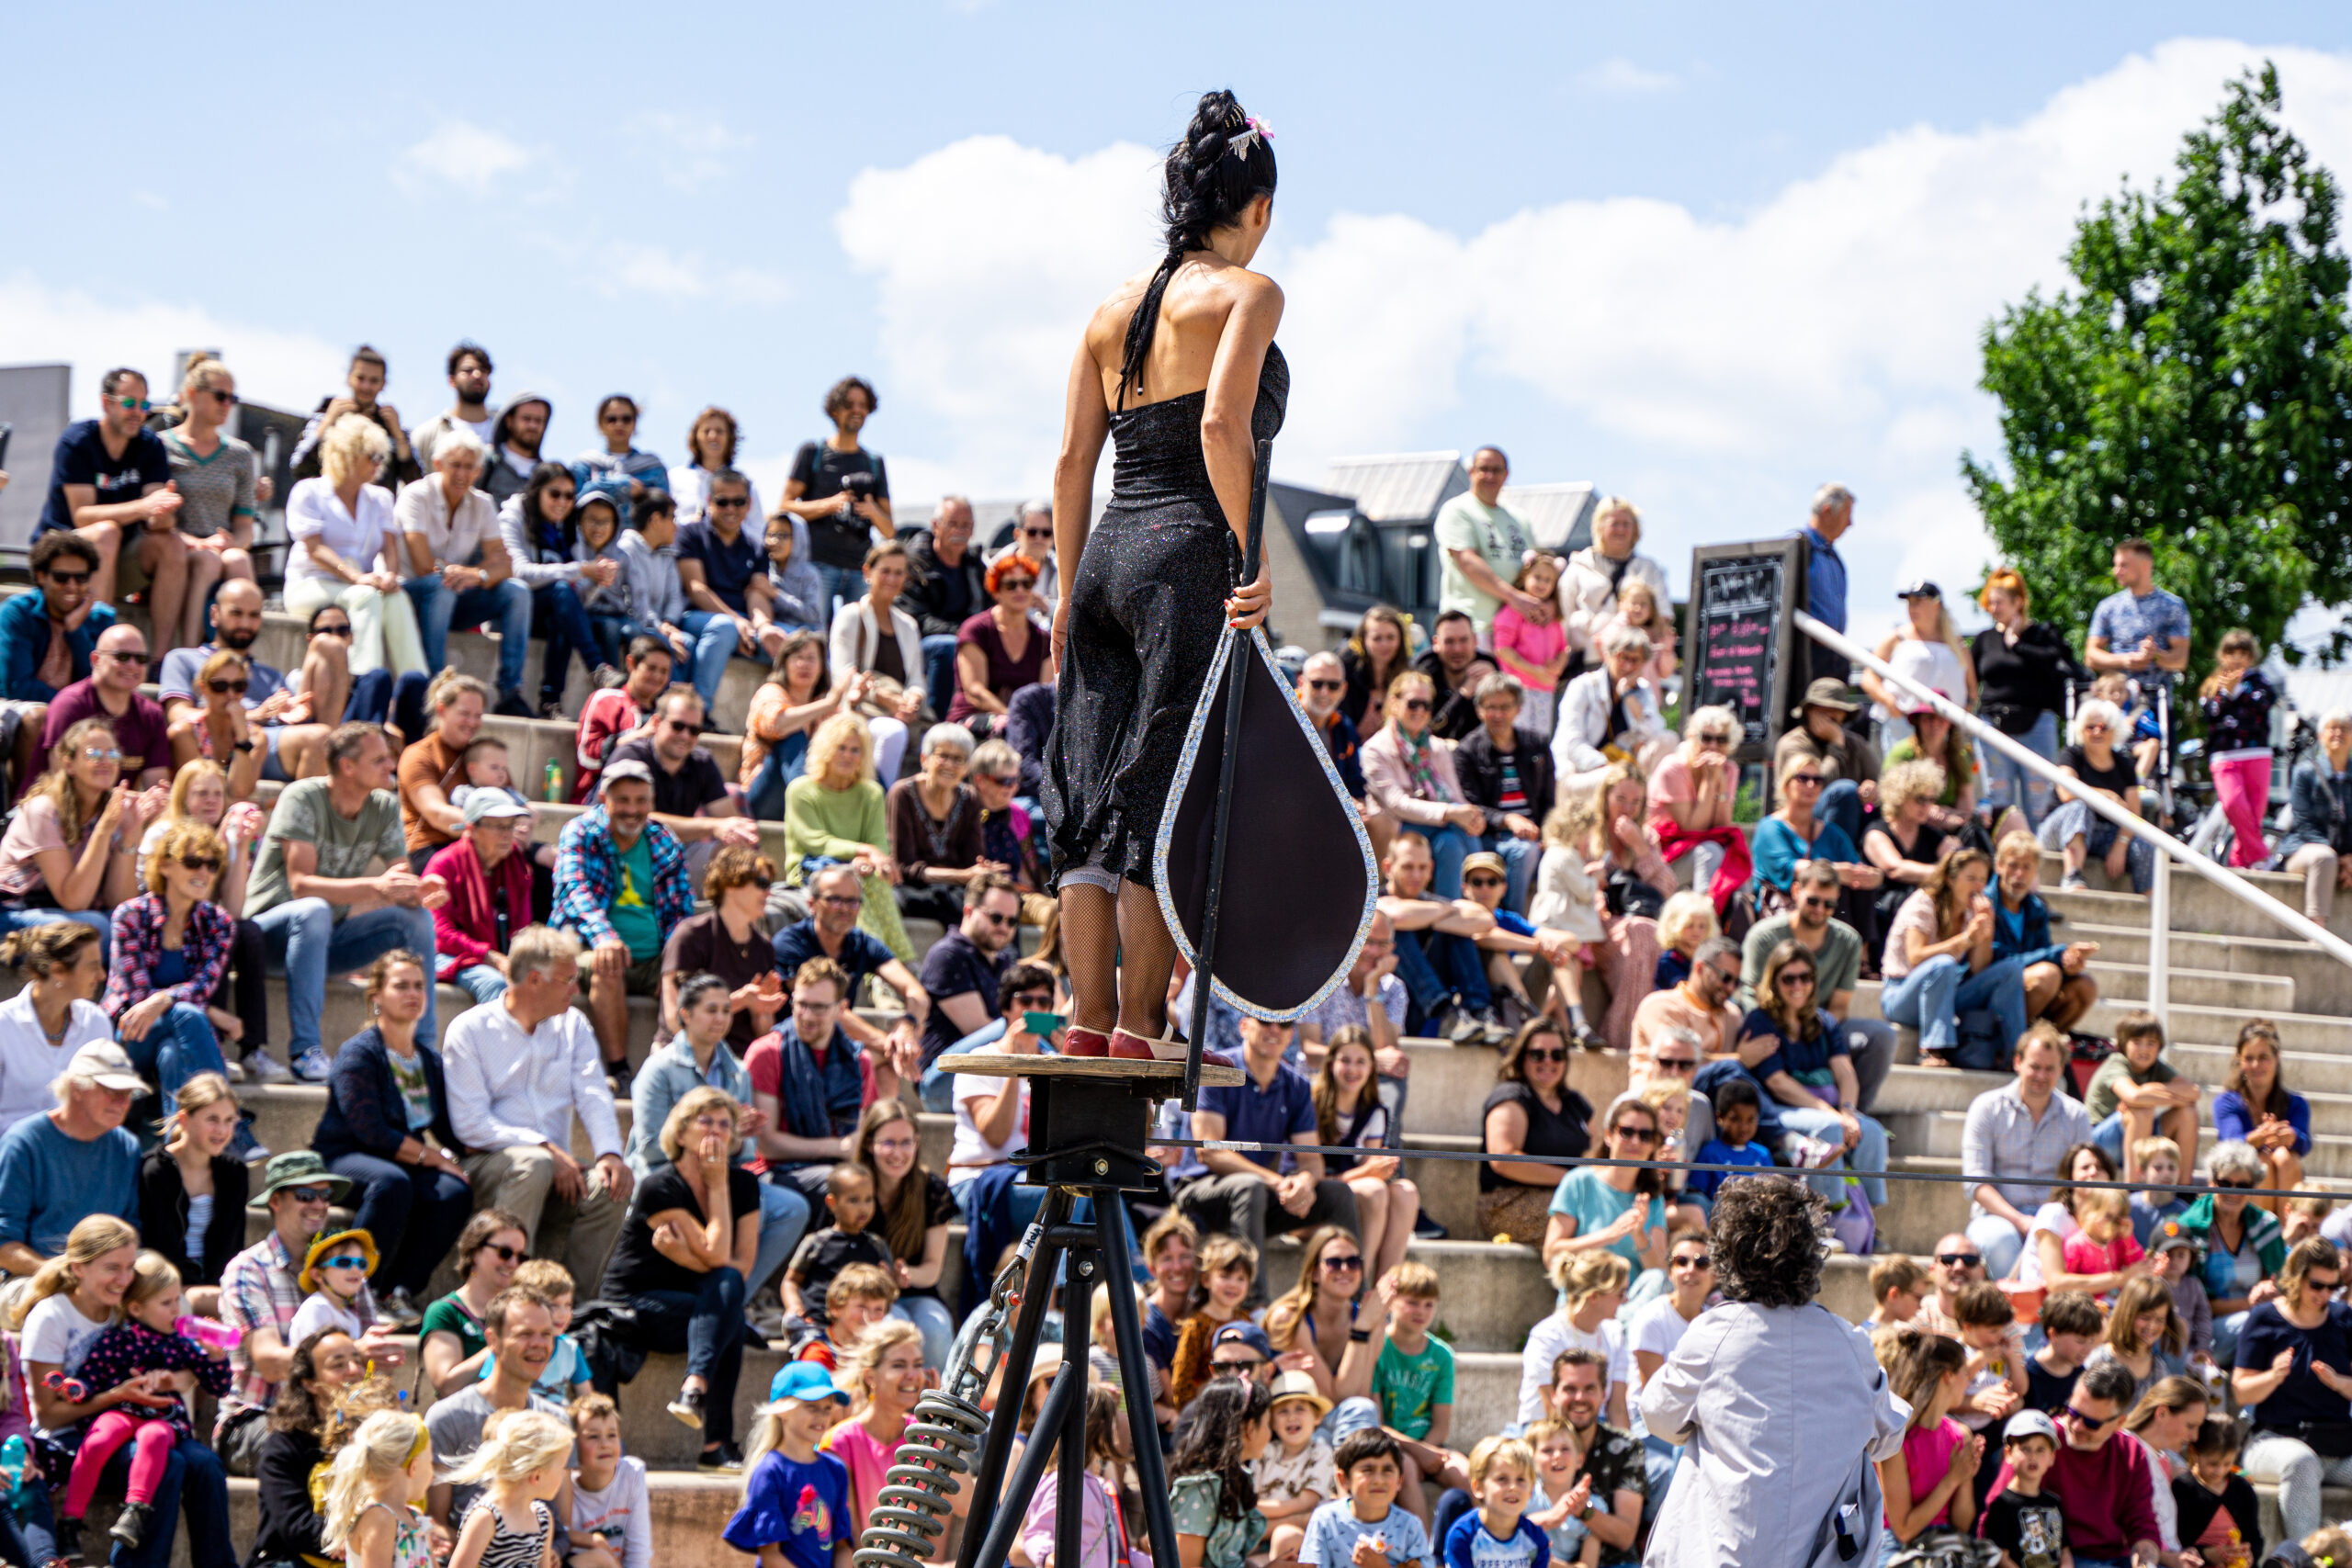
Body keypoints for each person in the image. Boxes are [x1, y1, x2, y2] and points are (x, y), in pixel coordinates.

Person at [1638, 1177, 1906, 1568]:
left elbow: (1659, 1417)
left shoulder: (1713, 1333)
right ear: (1811, 1255)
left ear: (1728, 1255)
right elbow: (1889, 1437)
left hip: (1722, 1554)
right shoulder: (1848, 1341)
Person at [15, 1220, 236, 1568]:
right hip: (73, 1435)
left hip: (147, 1419)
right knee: (167, 1461)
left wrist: (181, 1378)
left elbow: (180, 1358)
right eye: (112, 1268)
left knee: (206, 1463)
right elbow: (47, 1416)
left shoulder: (129, 1303)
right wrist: (114, 1396)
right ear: (78, 1268)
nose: (124, 1278)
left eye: (130, 1267)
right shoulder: (51, 1316)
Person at [244, 723, 446, 1083]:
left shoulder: (384, 805)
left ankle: (422, 1049)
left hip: (325, 943)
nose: (391, 765)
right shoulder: (302, 796)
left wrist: (421, 890)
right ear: (348, 767)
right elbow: (302, 886)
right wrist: (377, 887)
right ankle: (305, 1050)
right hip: (266, 941)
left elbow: (397, 882)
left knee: (416, 921)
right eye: (380, 759)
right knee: (314, 909)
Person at [442, 925, 633, 1282]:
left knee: (611, 1187)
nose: (576, 990)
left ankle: (573, 1310)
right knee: (534, 1163)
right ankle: (502, 1295)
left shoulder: (573, 1025)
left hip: (556, 1166)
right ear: (534, 980)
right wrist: (543, 1147)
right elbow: (471, 1125)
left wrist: (610, 1154)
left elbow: (593, 1093)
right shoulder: (470, 1029)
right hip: (489, 1164)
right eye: (568, 980)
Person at [631, 971, 808, 1315]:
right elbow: (651, 1145)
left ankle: (731, 1301)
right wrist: (710, 1139)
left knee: (791, 1207)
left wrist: (738, 1136)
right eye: (711, 1010)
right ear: (686, 1014)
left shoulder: (737, 1073)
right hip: (666, 1175)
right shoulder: (659, 1068)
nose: (721, 1019)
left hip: (718, 1180)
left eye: (727, 1011)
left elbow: (742, 1158)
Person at [600, 1087, 756, 1472]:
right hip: (635, 1304)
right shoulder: (659, 1186)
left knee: (729, 1297)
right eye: (705, 1121)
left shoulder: (744, 1185)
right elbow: (721, 1257)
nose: (716, 1131)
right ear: (681, 1132)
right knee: (729, 1314)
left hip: (694, 1306)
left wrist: (684, 1254)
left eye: (725, 1124)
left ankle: (694, 1392)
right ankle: (716, 1443)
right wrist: (716, 1188)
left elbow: (741, 1265)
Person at [311, 950, 472, 1322]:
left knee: (453, 1193)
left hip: (401, 1159)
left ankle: (398, 1290)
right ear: (376, 996)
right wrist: (434, 1157)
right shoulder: (359, 1054)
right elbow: (370, 1130)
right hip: (344, 1155)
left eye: (419, 985)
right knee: (391, 1183)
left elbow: (447, 1128)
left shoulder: (428, 1060)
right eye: (401, 986)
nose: (412, 993)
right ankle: (358, 1292)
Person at [215, 1152, 401, 1473]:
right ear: (275, 1201)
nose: (319, 1204)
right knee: (324, 1450)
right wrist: (355, 1351)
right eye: (305, 1195)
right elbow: (271, 1362)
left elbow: (370, 1362)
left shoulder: (350, 1269)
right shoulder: (248, 1270)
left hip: (338, 1413)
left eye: (325, 1195)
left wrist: (378, 1357)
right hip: (259, 1418)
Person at [1181, 1016, 1361, 1304]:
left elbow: (1311, 1161)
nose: (1275, 1029)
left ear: (1292, 1037)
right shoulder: (1217, 1070)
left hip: (1256, 1196)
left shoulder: (1298, 1085)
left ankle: (1351, 1305)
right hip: (1198, 1192)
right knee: (1250, 1187)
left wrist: (1302, 1182)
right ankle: (1254, 1307)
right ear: (1243, 1026)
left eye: (1285, 1023)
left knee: (1337, 1194)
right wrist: (1279, 1182)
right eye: (1265, 1020)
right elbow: (1210, 1151)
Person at [552, 761, 694, 1083]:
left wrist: (674, 960)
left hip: (653, 956)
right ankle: (620, 1069)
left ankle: (679, 1071)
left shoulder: (663, 840)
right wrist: (604, 937)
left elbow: (681, 909)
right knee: (608, 964)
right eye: (623, 800)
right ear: (604, 798)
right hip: (590, 946)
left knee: (691, 976)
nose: (633, 810)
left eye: (640, 800)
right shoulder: (580, 831)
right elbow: (574, 890)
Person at [102, 819, 245, 1135]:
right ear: (165, 866)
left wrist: (165, 998)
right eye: (193, 862)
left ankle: (177, 1146)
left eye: (212, 864)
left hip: (179, 1035)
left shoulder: (218, 923)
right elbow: (137, 997)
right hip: (129, 1036)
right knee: (186, 1012)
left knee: (172, 1053)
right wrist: (198, 1009)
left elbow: (204, 987)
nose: (204, 873)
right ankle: (232, 1123)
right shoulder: (130, 916)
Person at [1731, 939, 1891, 1215]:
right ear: (1774, 981)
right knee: (1827, 1129)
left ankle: (1867, 1215)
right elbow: (1778, 1083)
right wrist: (1831, 1113)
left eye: (1805, 977)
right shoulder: (1761, 1020)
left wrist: (1848, 1111)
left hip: (1826, 1110)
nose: (1797, 986)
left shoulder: (1823, 1021)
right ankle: (1826, 1213)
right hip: (1781, 1110)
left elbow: (1845, 1071)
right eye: (1788, 979)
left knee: (1873, 1131)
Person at [397, 430, 538, 716]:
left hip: (451, 596)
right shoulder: (416, 494)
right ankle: (435, 687)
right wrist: (455, 572)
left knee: (517, 592)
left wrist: (478, 575)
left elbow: (504, 563)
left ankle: (510, 691)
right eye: (456, 465)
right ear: (438, 465)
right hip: (409, 596)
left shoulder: (482, 503)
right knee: (440, 585)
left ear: (478, 471)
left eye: (470, 467)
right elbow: (423, 563)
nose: (463, 474)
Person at [1736, 862, 1896, 1114]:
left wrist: (1812, 1034)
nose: (1820, 909)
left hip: (1820, 1026)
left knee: (1882, 1036)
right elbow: (1754, 995)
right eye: (1813, 901)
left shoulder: (1848, 940)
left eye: (1829, 904)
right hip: (1770, 1023)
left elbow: (1840, 1006)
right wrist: (1790, 1031)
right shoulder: (1764, 935)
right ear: (1797, 891)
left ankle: (1854, 1116)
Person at [34, 368, 184, 636]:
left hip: (115, 561)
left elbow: (155, 513)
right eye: (129, 403)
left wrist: (163, 514)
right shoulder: (77, 441)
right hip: (62, 555)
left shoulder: (150, 445)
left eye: (144, 404)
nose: (138, 412)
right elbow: (82, 515)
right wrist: (143, 507)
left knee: (171, 544)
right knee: (106, 531)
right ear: (106, 402)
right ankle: (99, 651)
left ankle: (162, 662)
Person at [2222, 1236, 2352, 1543]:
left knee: (2308, 1461)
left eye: (2332, 1287)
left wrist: (2340, 1383)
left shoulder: (2343, 1319)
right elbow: (2242, 1392)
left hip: (2334, 1446)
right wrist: (2274, 1376)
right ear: (2296, 1277)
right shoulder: (2264, 1319)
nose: (2324, 1295)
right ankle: (2304, 1558)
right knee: (2302, 1462)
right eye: (2317, 1285)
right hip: (2274, 1440)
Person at [282, 415, 429, 683]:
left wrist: (390, 576)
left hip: (357, 586)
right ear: (347, 454)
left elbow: (389, 548)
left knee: (397, 599)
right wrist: (356, 578)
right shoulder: (308, 491)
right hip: (308, 585)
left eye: (381, 456)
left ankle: (417, 686)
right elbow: (315, 549)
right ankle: (365, 683)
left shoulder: (381, 498)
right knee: (365, 597)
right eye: (372, 455)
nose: (379, 463)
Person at [159, 577, 337, 785]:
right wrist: (256, 715)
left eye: (253, 615)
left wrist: (290, 713)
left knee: (323, 738)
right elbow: (179, 715)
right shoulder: (182, 659)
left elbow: (286, 721)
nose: (245, 623)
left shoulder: (271, 675)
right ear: (214, 615)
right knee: (319, 737)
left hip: (264, 741)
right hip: (215, 739)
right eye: (236, 613)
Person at [0, 716, 153, 957]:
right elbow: (73, 900)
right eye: (94, 754)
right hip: (14, 913)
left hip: (70, 913)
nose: (105, 761)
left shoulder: (111, 810)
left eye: (112, 754)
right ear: (69, 764)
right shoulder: (43, 810)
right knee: (96, 929)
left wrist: (130, 833)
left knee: (138, 922)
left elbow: (120, 901)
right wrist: (104, 830)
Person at [1959, 1025, 2095, 1280]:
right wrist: (2021, 1221)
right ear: (2018, 1063)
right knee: (1999, 1240)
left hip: (2056, 1214)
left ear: (2061, 1070)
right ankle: (2021, 1313)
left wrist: (2045, 1221)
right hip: (1997, 1217)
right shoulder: (1986, 1108)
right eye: (2034, 1066)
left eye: (2050, 1069)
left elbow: (2084, 1182)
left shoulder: (2076, 1115)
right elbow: (1976, 1182)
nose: (2041, 1076)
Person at [1879, 848, 2034, 1071]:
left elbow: (1980, 967)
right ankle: (1931, 1050)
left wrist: (1984, 932)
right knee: (1944, 963)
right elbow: (1916, 957)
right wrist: (1965, 939)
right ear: (1951, 879)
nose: (1978, 886)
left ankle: (2016, 1055)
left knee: (2011, 970)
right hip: (1901, 994)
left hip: (1944, 993)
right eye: (1970, 878)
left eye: (1982, 879)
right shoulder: (1924, 902)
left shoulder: (1972, 911)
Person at [0, 1042, 144, 1274]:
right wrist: (61, 1277)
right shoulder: (24, 1142)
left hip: (108, 1275)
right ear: (76, 1088)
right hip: (33, 1278)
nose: (122, 1102)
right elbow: (4, 1244)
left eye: (128, 1093)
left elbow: (132, 1229)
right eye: (111, 1091)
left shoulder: (127, 1146)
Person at [786, 711, 918, 964]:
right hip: (810, 870)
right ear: (826, 749)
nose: (848, 755)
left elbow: (879, 843)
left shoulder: (871, 792)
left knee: (872, 878)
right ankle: (877, 970)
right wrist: (863, 852)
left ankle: (907, 964)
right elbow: (815, 841)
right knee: (853, 887)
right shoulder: (801, 790)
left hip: (859, 870)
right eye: (841, 748)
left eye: (855, 750)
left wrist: (866, 859)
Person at [770, 863, 930, 1066]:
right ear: (812, 904)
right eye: (835, 900)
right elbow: (825, 1008)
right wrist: (888, 1043)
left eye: (852, 901)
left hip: (835, 1045)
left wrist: (907, 1026)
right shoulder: (789, 944)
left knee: (886, 1062)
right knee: (885, 1057)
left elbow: (916, 993)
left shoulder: (861, 942)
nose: (845, 909)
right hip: (794, 1046)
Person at [152, 356, 260, 650]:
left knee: (237, 558)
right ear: (193, 395)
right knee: (208, 561)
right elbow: (155, 517)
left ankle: (239, 658)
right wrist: (198, 544)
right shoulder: (159, 445)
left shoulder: (240, 454)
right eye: (220, 396)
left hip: (220, 549)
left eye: (232, 398)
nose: (227, 404)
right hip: (173, 546)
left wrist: (231, 544)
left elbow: (245, 526)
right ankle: (189, 655)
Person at [496, 462, 618, 718]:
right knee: (561, 591)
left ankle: (550, 703)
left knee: (562, 607)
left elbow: (576, 599)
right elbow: (519, 572)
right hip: (514, 610)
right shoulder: (512, 516)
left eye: (569, 496)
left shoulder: (565, 527)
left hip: (552, 611)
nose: (562, 502)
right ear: (537, 491)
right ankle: (597, 668)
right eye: (555, 494)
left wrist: (596, 579)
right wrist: (581, 569)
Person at [1363, 671, 1487, 902]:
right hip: (1397, 826)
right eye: (1413, 704)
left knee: (1451, 842)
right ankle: (1479, 909)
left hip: (1439, 826)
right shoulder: (1376, 749)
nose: (1420, 711)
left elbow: (1455, 795)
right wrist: (1451, 813)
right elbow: (1396, 803)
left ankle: (1455, 918)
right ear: (1394, 703)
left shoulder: (1437, 747)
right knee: (1456, 831)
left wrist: (1470, 815)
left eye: (1426, 705)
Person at [248, 1328, 368, 1568]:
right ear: (310, 1383)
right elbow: (296, 1526)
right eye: (338, 1365)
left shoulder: (377, 1433)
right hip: (292, 1559)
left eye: (357, 1360)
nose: (354, 1370)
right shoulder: (284, 1445)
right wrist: (362, 1537)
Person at [853, 1100, 957, 1369]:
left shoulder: (931, 1190)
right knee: (893, 1326)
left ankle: (934, 1408)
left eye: (905, 1142)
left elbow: (933, 1268)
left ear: (917, 1143)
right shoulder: (853, 1190)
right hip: (868, 1295)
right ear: (869, 1144)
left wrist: (906, 1276)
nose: (898, 1153)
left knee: (936, 1327)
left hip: (917, 1291)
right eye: (888, 1143)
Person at [1309, 1028, 1419, 1284]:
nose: (1352, 1070)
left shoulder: (1374, 1112)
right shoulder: (1311, 1101)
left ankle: (1383, 1292)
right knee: (1374, 1189)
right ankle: (1358, 1286)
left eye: (1361, 1062)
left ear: (1372, 1067)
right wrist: (1368, 1172)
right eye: (1345, 1060)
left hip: (1351, 1195)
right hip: (1314, 1195)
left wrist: (1376, 1169)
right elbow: (1312, 1174)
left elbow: (1373, 1166)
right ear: (1331, 1063)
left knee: (1405, 1192)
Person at [1972, 570, 2079, 830]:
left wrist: (2017, 645)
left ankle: (2041, 858)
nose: (1994, 608)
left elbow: (2057, 663)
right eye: (1990, 602)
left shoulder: (2042, 635)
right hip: (1993, 728)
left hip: (2037, 726)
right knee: (1998, 799)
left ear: (2018, 602)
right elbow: (1971, 680)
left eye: (2000, 602)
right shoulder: (1984, 640)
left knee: (2040, 800)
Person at [722, 1362, 856, 1567]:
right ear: (783, 1410)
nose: (821, 1417)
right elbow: (771, 1555)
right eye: (811, 1407)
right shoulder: (770, 1471)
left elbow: (842, 1546)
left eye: (827, 1408)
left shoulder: (836, 1470)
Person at [780, 377, 893, 615]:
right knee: (816, 635)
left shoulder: (874, 462)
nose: (857, 410)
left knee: (859, 642)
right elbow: (785, 507)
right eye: (850, 404)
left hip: (860, 568)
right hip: (817, 564)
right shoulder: (813, 453)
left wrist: (872, 511)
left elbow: (889, 530)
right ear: (834, 409)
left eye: (863, 405)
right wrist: (830, 505)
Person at [137, 1073, 246, 1317]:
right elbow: (162, 1245)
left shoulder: (234, 1172)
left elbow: (231, 1243)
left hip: (215, 1283)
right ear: (184, 1119)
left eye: (229, 1120)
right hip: (165, 1281)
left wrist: (218, 1286)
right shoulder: (156, 1171)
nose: (222, 1130)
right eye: (212, 1120)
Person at [1377, 832, 1504, 1043]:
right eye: (1408, 867)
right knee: (1397, 930)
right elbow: (1395, 916)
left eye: (1422, 867)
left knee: (1458, 931)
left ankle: (1480, 1012)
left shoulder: (1435, 905)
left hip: (1423, 1007)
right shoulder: (1373, 900)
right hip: (1386, 1004)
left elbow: (1486, 920)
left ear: (1431, 869)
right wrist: (1447, 914)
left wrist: (1427, 917)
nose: (1416, 875)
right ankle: (1447, 1013)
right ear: (1388, 868)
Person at [1541, 1098, 1669, 1301]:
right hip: (1583, 1302)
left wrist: (1639, 1236)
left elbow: (1660, 1273)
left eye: (1645, 1135)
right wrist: (1609, 1235)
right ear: (1609, 1136)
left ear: (1654, 1144)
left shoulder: (1653, 1197)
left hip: (1630, 1309)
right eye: (1627, 1132)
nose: (1635, 1141)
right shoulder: (1578, 1182)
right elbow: (1552, 1256)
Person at [1874, 1329, 1982, 1557]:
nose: (1969, 1380)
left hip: (1946, 1545)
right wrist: (1952, 1480)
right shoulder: (1897, 1438)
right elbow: (1903, 1530)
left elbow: (1962, 1524)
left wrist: (1965, 1476)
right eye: (1965, 1372)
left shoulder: (1960, 1434)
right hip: (1899, 1549)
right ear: (1947, 1376)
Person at [0, 921, 114, 1136]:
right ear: (58, 971)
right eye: (93, 966)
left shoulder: (97, 1021)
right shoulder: (3, 1024)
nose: (101, 975)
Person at [2178, 1143, 2289, 1362]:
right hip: (2204, 1329)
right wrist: (2249, 1305)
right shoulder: (2190, 1227)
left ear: (2254, 1187)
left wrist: (2271, 1290)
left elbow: (2282, 1281)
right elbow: (2188, 1298)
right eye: (2225, 1183)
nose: (2233, 1192)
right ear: (2211, 1183)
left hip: (2259, 1318)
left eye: (2243, 1185)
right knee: (2256, 1325)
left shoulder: (2266, 1225)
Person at [677, 467, 787, 683]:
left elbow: (757, 593)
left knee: (797, 642)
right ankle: (699, 709)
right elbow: (696, 589)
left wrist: (763, 627)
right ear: (709, 501)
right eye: (722, 502)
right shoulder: (691, 534)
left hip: (744, 622)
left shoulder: (756, 547)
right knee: (724, 628)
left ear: (749, 504)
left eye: (738, 502)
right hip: (698, 617)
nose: (731, 509)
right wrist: (736, 621)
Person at [424, 792, 537, 1006]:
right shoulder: (443, 864)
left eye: (510, 826)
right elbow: (440, 932)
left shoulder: (517, 864)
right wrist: (489, 956)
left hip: (497, 955)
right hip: (447, 955)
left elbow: (523, 928)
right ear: (471, 829)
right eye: (498, 827)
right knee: (494, 983)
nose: (507, 835)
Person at [1454, 675, 1552, 917]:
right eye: (1491, 707)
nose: (1498, 714)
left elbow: (1550, 799)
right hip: (1492, 836)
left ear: (1518, 709)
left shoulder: (1537, 744)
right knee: (1523, 852)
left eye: (1505, 707)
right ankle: (1512, 922)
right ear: (1479, 710)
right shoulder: (1467, 750)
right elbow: (1471, 804)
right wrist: (1507, 819)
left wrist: (1549, 833)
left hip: (1535, 832)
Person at [0, 532, 115, 734]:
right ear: (42, 576)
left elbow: (99, 684)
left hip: (80, 713)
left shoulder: (102, 618)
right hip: (17, 707)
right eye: (61, 577)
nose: (72, 586)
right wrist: (71, 706)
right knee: (37, 717)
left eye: (81, 578)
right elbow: (17, 687)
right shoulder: (17, 612)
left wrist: (75, 630)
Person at [826, 543, 930, 761]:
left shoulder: (908, 625)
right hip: (862, 709)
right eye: (885, 571)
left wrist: (910, 702)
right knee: (892, 733)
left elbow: (916, 680)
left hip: (902, 711)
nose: (891, 579)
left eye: (898, 573)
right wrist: (882, 697)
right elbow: (842, 674)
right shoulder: (850, 616)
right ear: (867, 572)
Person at [887, 725, 994, 926]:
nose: (950, 765)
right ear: (924, 759)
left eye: (959, 759)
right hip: (913, 890)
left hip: (955, 890)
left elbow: (972, 859)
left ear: (967, 767)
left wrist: (978, 870)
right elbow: (903, 867)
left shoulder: (969, 798)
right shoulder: (902, 794)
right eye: (943, 756)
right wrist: (961, 876)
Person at [42, 620, 170, 789]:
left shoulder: (151, 715)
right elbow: (60, 782)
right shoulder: (70, 705)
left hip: (118, 810)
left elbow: (157, 787)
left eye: (141, 659)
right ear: (96, 660)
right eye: (122, 657)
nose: (132, 665)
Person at [1645, 708, 1748, 915]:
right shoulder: (1673, 768)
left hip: (1696, 850)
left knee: (1736, 861)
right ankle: (1703, 919)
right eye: (1706, 738)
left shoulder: (1729, 769)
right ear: (1691, 737)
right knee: (1710, 852)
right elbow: (1692, 827)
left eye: (1721, 740)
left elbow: (1722, 827)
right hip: (1661, 859)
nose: (1712, 746)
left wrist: (1721, 784)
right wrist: (1711, 782)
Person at [1431, 446, 1539, 646]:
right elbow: (1467, 561)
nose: (1489, 475)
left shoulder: (1519, 519)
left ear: (1506, 475)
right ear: (1471, 472)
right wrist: (1513, 597)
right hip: (1471, 629)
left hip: (1515, 630)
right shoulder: (1457, 510)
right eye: (1483, 469)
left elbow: (1537, 568)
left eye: (1496, 470)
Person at [1746, 752, 1878, 914]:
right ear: (1786, 785)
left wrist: (1873, 877)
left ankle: (1862, 940)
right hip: (1784, 913)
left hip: (1829, 914)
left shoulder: (1832, 833)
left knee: (1860, 891)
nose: (1811, 785)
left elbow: (1857, 869)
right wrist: (1836, 872)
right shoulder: (1769, 828)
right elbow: (1788, 867)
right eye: (1802, 778)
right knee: (1829, 888)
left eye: (1817, 781)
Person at [742, 633, 856, 818]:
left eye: (811, 658)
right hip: (764, 797)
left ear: (821, 667)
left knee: (854, 748)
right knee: (792, 737)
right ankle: (811, 806)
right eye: (798, 657)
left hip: (810, 795)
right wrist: (829, 703)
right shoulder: (771, 692)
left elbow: (850, 741)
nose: (804, 664)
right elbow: (778, 724)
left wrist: (853, 705)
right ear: (785, 663)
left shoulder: (822, 706)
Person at [418, 1212, 529, 1397]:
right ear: (475, 1250)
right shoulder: (445, 1312)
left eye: (521, 1257)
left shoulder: (523, 1311)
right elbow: (447, 1385)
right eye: (505, 1253)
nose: (513, 1263)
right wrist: (500, 1345)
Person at [1167, 1377, 1273, 1568]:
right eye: (1266, 1423)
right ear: (1249, 1428)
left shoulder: (1237, 1480)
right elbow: (1185, 1565)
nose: (1269, 1433)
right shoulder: (1201, 1490)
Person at [1553, 626, 1671, 797]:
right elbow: (1572, 743)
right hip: (1582, 772)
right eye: (1622, 657)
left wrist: (1628, 695)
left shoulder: (1642, 690)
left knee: (1668, 739)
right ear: (1608, 655)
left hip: (1622, 772)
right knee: (1622, 786)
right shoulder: (1583, 686)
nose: (1628, 665)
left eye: (1635, 660)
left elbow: (1656, 735)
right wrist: (1610, 769)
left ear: (1643, 664)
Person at [2199, 627, 2280, 869]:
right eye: (2231, 652)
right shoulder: (2212, 687)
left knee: (2252, 817)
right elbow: (2210, 713)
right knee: (2234, 804)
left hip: (2257, 754)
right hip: (2225, 756)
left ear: (2251, 657)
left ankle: (2239, 864)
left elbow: (2265, 704)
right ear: (2222, 655)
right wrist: (2228, 690)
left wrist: (2240, 689)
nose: (2237, 657)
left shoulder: (2260, 683)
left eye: (2243, 653)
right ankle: (2260, 856)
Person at [948, 550, 1055, 732]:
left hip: (1022, 722)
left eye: (1026, 583)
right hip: (973, 718)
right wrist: (1011, 715)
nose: (1020, 590)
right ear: (996, 591)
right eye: (1011, 585)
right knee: (1006, 727)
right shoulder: (976, 630)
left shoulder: (1043, 639)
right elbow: (975, 692)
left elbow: (1041, 695)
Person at [1559, 494, 1669, 671]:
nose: (1620, 530)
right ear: (1600, 527)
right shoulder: (1579, 566)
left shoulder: (1648, 570)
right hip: (1586, 662)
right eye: (1614, 524)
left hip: (1633, 662)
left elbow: (1663, 617)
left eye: (1626, 524)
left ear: (1635, 530)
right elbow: (1562, 614)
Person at [901, 497, 989, 718]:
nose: (960, 530)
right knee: (947, 647)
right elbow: (915, 618)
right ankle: (936, 721)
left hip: (967, 639)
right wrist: (963, 634)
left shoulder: (974, 564)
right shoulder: (914, 563)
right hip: (924, 643)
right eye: (953, 523)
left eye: (966, 525)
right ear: (935, 526)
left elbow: (991, 608)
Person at [2086, 1011, 2202, 1174]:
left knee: (2187, 1113)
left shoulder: (2156, 1067)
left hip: (2139, 1134)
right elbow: (2133, 1096)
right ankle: (2134, 1188)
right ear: (2124, 1044)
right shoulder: (2116, 1063)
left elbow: (2194, 1091)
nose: (2144, 1049)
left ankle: (2184, 1190)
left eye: (2151, 1043)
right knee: (2140, 1111)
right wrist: (2149, 1095)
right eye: (2137, 1042)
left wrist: (2150, 1090)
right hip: (2100, 1142)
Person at [395, 673, 490, 873]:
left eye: (478, 716)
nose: (472, 722)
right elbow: (436, 813)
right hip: (429, 847)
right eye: (465, 714)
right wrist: (490, 826)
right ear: (442, 710)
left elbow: (510, 799)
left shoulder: (484, 756)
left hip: (481, 844)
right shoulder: (419, 755)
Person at [2214, 1021, 2311, 1216]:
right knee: (2261, 1160)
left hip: (2283, 1173)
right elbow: (2229, 1143)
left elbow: (2305, 1143)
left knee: (2284, 1157)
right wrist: (2255, 1139)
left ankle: (2287, 1233)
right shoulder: (2226, 1101)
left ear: (2277, 1058)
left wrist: (2291, 1137)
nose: (2256, 1065)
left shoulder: (2296, 1103)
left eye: (2263, 1057)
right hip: (2235, 1180)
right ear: (2239, 1060)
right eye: (2249, 1058)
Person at [1860, 581, 1975, 740]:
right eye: (1910, 603)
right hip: (1904, 724)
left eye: (1918, 602)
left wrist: (1966, 709)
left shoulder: (1957, 643)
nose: (1912, 608)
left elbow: (1972, 687)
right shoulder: (1897, 637)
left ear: (1936, 605)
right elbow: (1868, 675)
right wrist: (1887, 700)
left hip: (1947, 726)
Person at [292, 345, 420, 488]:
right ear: (349, 378)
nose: (366, 386)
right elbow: (299, 467)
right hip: (328, 506)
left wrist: (398, 436)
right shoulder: (325, 415)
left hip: (376, 507)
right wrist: (327, 422)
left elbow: (414, 483)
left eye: (374, 381)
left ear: (383, 384)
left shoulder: (391, 426)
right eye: (360, 378)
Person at [1774, 679, 1879, 848]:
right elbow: (1814, 787)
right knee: (1844, 790)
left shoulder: (1855, 743)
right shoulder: (1793, 743)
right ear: (1809, 712)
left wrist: (1872, 789)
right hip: (1800, 821)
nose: (1831, 716)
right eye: (1823, 710)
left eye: (1837, 710)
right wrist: (1836, 746)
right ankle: (1834, 860)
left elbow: (1882, 783)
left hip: (1854, 823)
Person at [2272, 708, 2352, 922]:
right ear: (2321, 736)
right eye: (2332, 728)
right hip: (2303, 850)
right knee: (2324, 858)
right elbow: (2304, 824)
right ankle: (2317, 935)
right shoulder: (2305, 773)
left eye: (2344, 729)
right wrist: (2340, 858)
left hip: (2345, 857)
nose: (2338, 733)